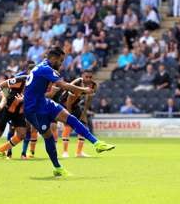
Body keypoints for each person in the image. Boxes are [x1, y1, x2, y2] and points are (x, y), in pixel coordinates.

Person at [23, 47, 114, 176]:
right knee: (48, 136)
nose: (61, 63)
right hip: (34, 110)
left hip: (43, 102)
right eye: (61, 60)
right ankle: (57, 167)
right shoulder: (45, 69)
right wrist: (84, 90)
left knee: (70, 118)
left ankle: (96, 143)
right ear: (53, 58)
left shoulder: (41, 66)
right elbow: (64, 85)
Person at [60, 70, 97, 158]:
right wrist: (69, 115)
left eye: (90, 77)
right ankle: (65, 152)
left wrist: (84, 113)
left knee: (83, 126)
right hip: (65, 104)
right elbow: (68, 100)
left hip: (75, 104)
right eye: (86, 77)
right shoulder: (76, 83)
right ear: (82, 76)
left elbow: (89, 100)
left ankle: (79, 152)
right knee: (68, 126)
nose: (88, 79)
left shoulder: (93, 85)